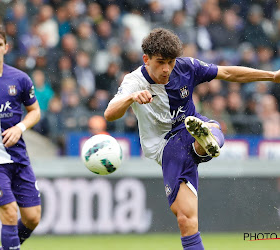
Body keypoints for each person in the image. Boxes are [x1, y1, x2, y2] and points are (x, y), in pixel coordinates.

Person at [104, 28, 280, 249]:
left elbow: (227, 73)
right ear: (146, 59)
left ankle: (203, 142)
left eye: (171, 61)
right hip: (166, 146)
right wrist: (131, 97)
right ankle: (201, 146)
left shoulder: (187, 67)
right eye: (161, 62)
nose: (167, 69)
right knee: (185, 220)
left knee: (212, 129)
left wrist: (272, 76)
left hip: (189, 127)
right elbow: (110, 113)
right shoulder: (134, 81)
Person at [0, 26, 41, 250]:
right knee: (9, 211)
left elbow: (35, 111)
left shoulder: (20, 79)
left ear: (6, 48)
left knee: (32, 217)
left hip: (18, 157)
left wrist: (20, 127)